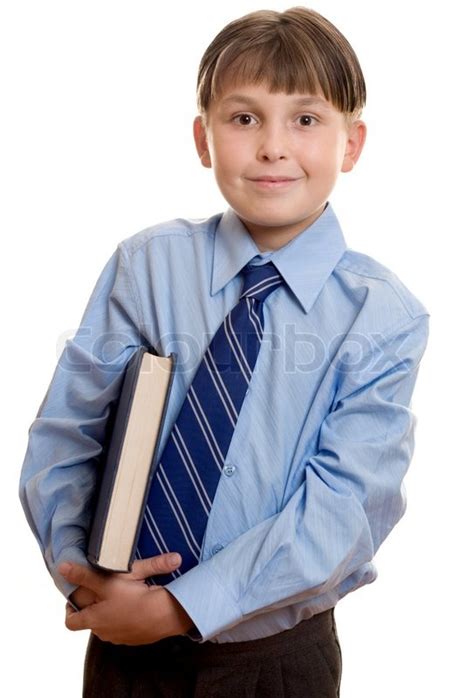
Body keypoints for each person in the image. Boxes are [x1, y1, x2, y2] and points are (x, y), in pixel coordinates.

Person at [19, 6, 430, 697]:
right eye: (244, 119)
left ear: (351, 144)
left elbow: (344, 510)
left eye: (305, 120)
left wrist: (183, 606)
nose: (272, 147)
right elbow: (68, 433)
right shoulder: (147, 268)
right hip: (125, 644)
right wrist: (81, 572)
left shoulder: (383, 316)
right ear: (203, 139)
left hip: (275, 658)